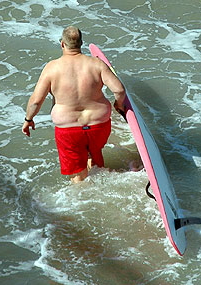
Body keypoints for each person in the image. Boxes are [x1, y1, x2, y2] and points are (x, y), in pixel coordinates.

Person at [22, 26, 126, 183]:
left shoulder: (52, 68)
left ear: (62, 44)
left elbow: (36, 101)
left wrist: (28, 119)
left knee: (78, 173)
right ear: (81, 43)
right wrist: (120, 105)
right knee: (95, 154)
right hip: (98, 124)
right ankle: (96, 174)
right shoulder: (97, 64)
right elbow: (118, 90)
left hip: (69, 129)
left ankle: (82, 201)